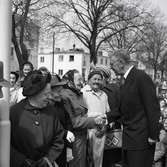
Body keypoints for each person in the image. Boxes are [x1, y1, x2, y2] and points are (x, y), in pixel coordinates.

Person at [104, 49, 161, 167]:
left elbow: (152, 108)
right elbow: (123, 109)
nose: (111, 68)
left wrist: (153, 135)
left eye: (112, 64)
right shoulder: (126, 80)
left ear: (120, 62)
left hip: (142, 140)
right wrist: (104, 117)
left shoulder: (141, 77)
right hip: (130, 139)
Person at [10, 70, 64, 167]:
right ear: (34, 93)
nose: (49, 97)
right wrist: (21, 161)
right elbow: (7, 144)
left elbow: (58, 139)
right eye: (46, 94)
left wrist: (48, 159)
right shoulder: (14, 113)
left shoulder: (52, 112)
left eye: (50, 93)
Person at [58, 69, 104, 167]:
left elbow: (82, 115)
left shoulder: (76, 93)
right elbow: (73, 122)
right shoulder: (66, 96)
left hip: (82, 137)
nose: (81, 82)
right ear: (70, 82)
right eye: (78, 79)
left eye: (82, 79)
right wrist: (94, 121)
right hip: (74, 139)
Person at [93, 66, 122, 167]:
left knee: (108, 161)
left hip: (111, 133)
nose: (96, 80)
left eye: (99, 77)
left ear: (104, 78)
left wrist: (107, 119)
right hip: (98, 132)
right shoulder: (92, 91)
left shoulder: (112, 90)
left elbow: (118, 109)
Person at [82, 70, 110, 167]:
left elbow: (106, 113)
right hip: (88, 130)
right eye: (94, 79)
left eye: (99, 79)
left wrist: (104, 126)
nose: (97, 81)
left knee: (98, 159)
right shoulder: (83, 93)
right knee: (88, 159)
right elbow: (81, 114)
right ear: (89, 80)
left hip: (101, 131)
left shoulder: (104, 95)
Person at [51, 75, 75, 167]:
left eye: (61, 91)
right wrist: (65, 133)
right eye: (58, 91)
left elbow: (68, 122)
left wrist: (69, 147)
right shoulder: (45, 107)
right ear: (50, 91)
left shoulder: (60, 104)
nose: (61, 94)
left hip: (62, 148)